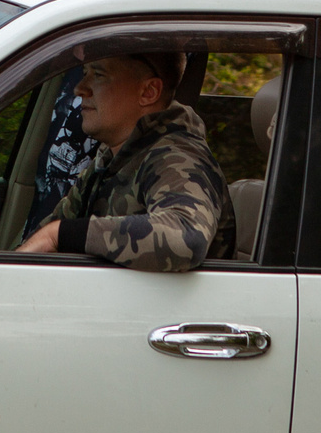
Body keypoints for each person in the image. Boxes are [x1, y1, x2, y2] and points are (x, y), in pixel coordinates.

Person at [19, 51, 235, 271]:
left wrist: (59, 234)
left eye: (99, 75)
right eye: (85, 73)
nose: (80, 88)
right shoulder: (110, 159)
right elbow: (42, 237)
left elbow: (188, 237)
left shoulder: (179, 157)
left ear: (148, 92)